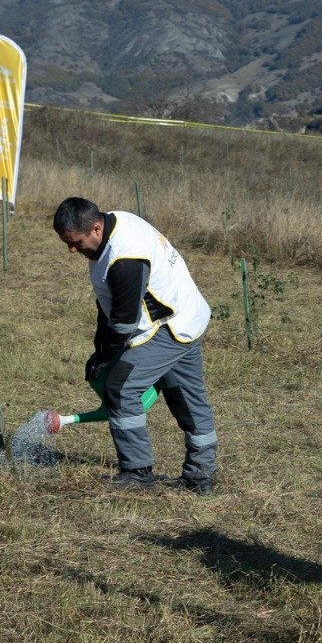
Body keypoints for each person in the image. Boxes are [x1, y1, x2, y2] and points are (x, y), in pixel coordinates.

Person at [53, 196, 217, 493]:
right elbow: (110, 306)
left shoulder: (125, 257)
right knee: (186, 398)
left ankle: (138, 472)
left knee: (122, 387)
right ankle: (200, 477)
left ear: (96, 228)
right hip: (188, 313)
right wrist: (99, 348)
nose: (71, 250)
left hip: (171, 325)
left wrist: (105, 357)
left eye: (75, 242)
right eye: (67, 243)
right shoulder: (115, 225)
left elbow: (125, 321)